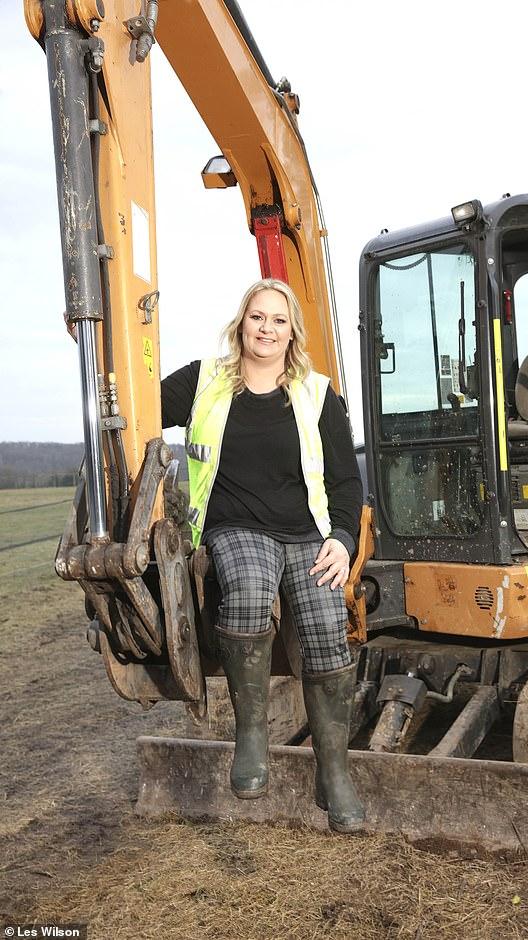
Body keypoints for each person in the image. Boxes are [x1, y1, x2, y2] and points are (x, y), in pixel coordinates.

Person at [161, 277, 365, 833]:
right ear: (241, 322)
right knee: (249, 590)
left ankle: (334, 771)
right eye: (257, 317)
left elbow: (347, 481)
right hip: (233, 526)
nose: (267, 328)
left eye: (278, 319)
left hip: (307, 534)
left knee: (327, 625)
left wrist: (343, 540)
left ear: (292, 330)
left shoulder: (319, 395)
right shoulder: (203, 382)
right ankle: (250, 736)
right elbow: (134, 398)